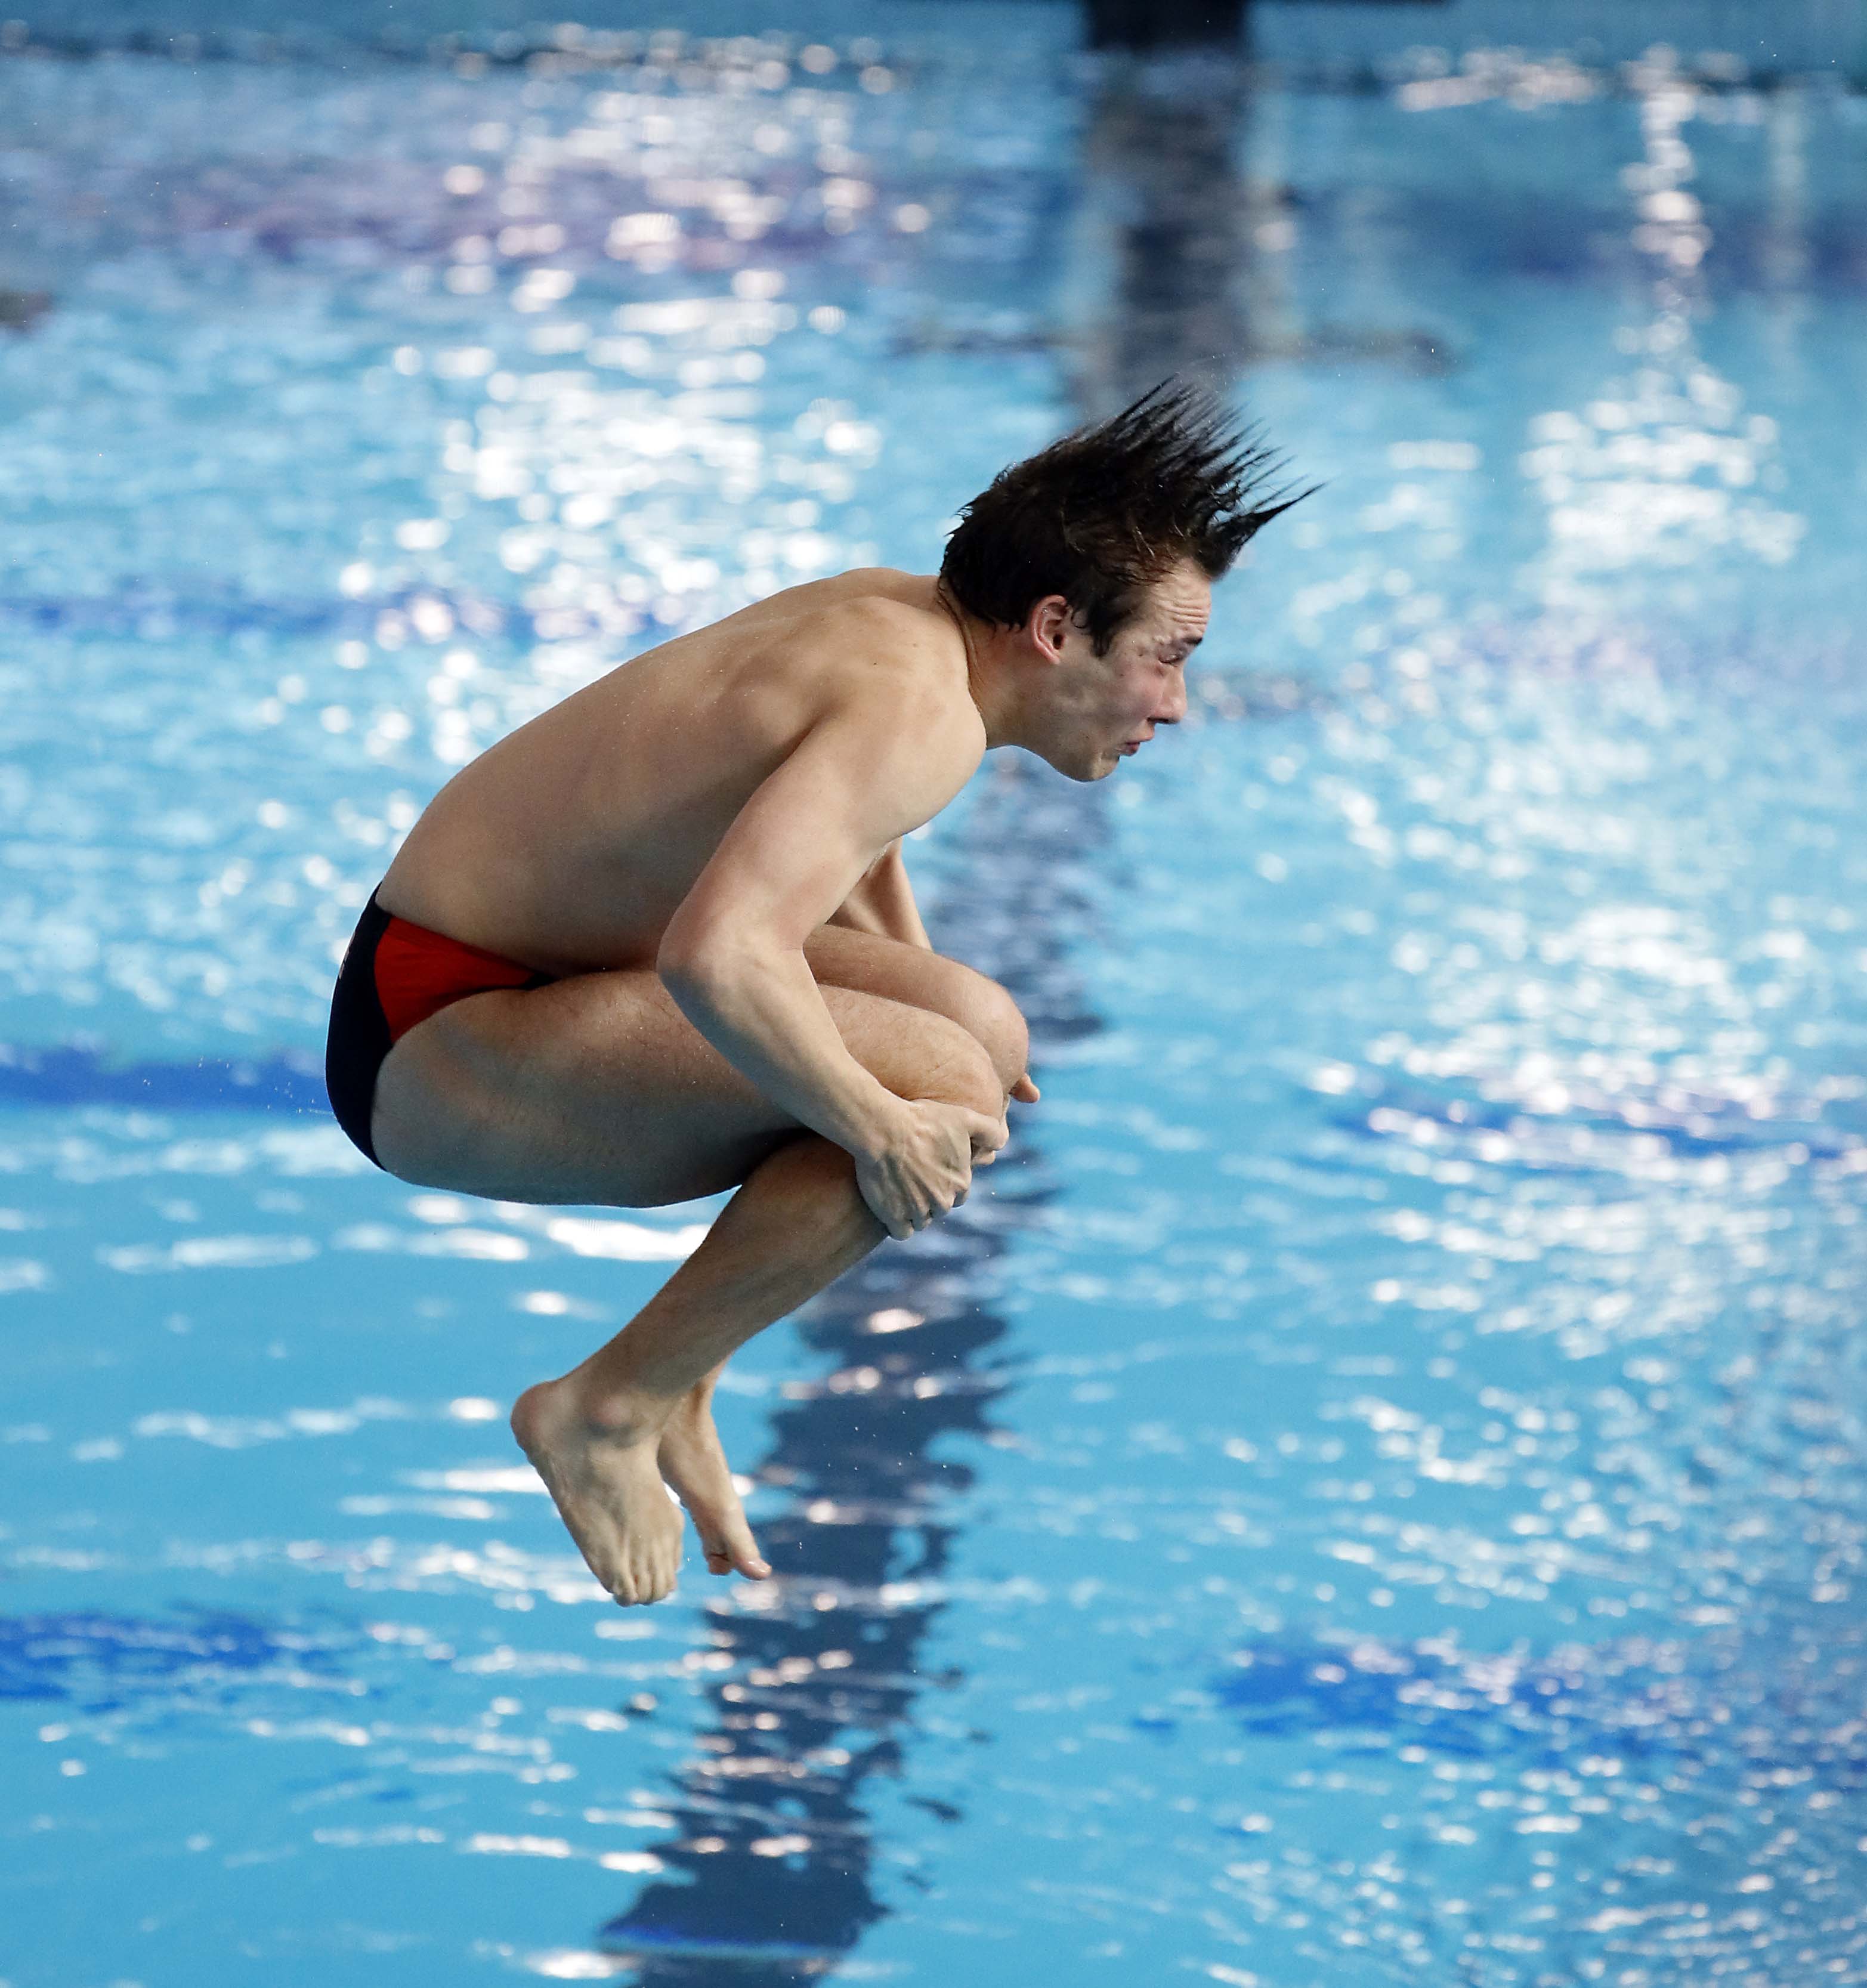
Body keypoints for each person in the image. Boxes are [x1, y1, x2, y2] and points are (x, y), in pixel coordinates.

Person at [324, 381, 1306, 1606]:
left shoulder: (896, 618)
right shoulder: (920, 715)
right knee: (925, 1085)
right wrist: (883, 1118)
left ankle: (683, 1375)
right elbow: (718, 955)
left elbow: (841, 841)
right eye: (1166, 656)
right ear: (1056, 625)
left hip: (529, 966)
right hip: (437, 1029)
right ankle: (603, 1405)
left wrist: (943, 1017)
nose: (1172, 702)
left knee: (977, 1035)